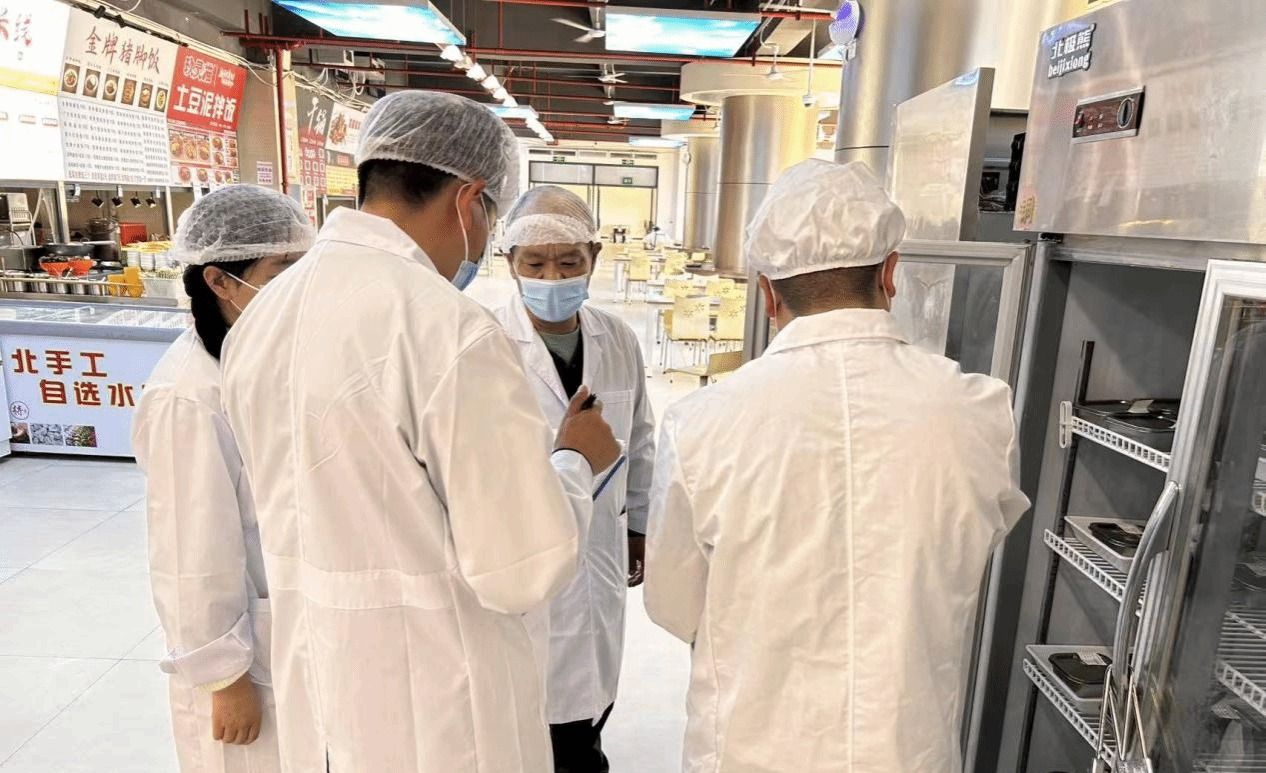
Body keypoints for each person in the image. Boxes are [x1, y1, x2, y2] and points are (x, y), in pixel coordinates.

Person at [219, 90, 621, 773]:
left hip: (324, 686)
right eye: (492, 219)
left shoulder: (266, 313)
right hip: (438, 709)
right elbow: (519, 568)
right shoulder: (445, 327)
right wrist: (575, 461)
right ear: (469, 201)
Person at [644, 159, 1030, 773]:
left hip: (751, 750)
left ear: (768, 293)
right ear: (891, 273)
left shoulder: (701, 423)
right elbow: (976, 544)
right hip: (906, 751)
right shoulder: (980, 411)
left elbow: (674, 603)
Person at [132, 184, 315, 773]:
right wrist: (224, 677)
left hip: (293, 637)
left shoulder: (258, 358)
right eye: (283, 267)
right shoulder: (188, 394)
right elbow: (190, 554)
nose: (302, 283)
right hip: (245, 665)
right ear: (220, 281)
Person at [492, 186, 656, 773]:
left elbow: (639, 438)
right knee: (528, 722)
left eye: (568, 263)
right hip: (521, 558)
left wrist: (639, 526)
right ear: (509, 262)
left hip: (601, 550)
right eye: (535, 264)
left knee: (589, 703)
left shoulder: (618, 338)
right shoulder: (486, 342)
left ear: (594, 257)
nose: (552, 278)